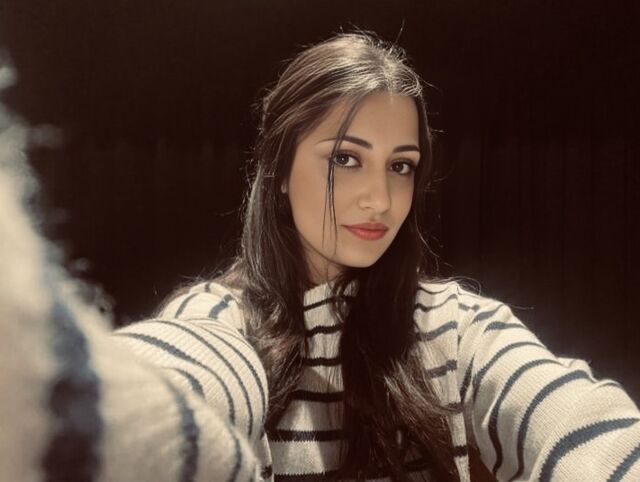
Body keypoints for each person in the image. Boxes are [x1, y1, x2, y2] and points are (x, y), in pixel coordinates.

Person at [1, 33, 638, 481]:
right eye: (345, 158)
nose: (379, 197)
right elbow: (176, 385)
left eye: (401, 166)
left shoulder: (455, 325)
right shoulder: (222, 323)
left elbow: (572, 415)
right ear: (280, 170)